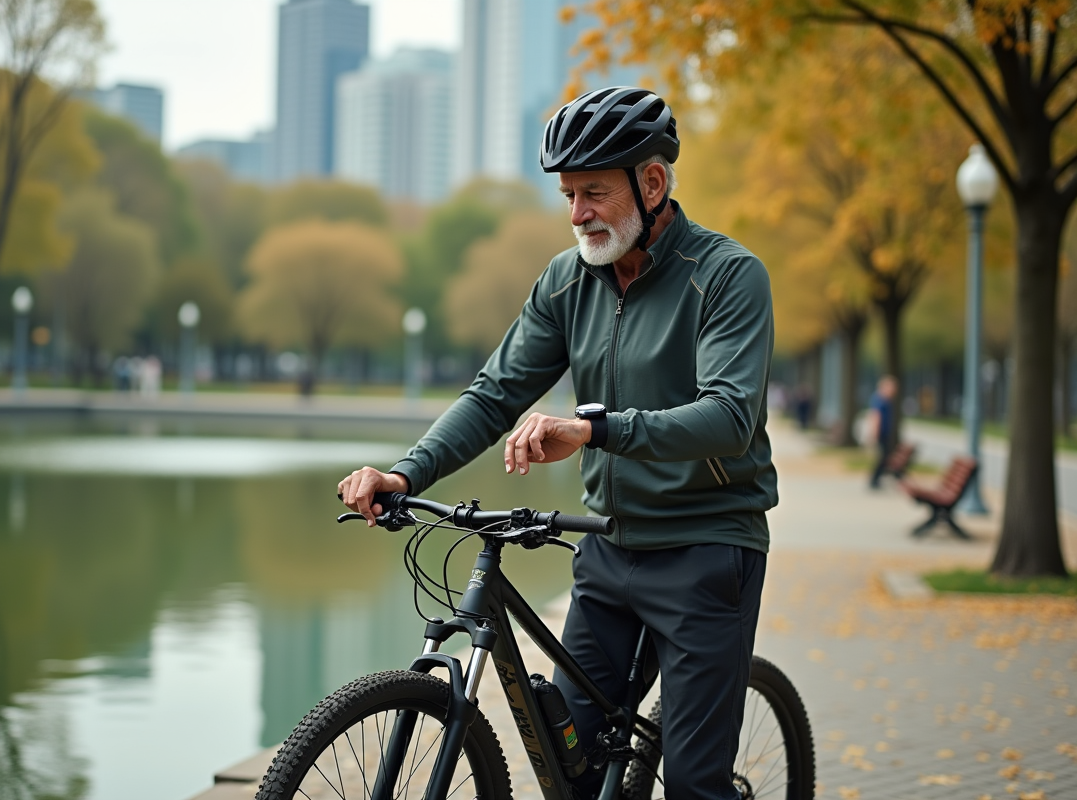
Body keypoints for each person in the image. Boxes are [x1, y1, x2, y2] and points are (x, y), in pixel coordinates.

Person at [338, 86, 775, 800]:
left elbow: (728, 418)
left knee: (695, 783)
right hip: (607, 546)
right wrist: (407, 475)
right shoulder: (567, 280)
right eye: (569, 195)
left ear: (653, 184)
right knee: (570, 765)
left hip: (706, 548)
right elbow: (495, 394)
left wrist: (594, 429)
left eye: (594, 193)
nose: (577, 214)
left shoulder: (727, 276)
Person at [867, 375, 898, 488]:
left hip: (884, 433)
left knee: (884, 456)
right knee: (882, 457)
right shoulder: (880, 400)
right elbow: (875, 417)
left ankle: (876, 479)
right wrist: (874, 434)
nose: (893, 390)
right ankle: (874, 479)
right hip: (881, 433)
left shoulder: (885, 400)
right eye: (891, 387)